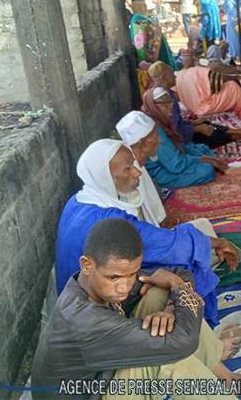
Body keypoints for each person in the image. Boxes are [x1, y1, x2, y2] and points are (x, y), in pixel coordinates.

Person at [36, 219, 241, 398]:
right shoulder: (84, 320)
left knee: (159, 293)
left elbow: (178, 275)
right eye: (115, 277)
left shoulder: (103, 281)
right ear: (87, 265)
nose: (124, 286)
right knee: (169, 358)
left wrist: (171, 306)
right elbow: (183, 342)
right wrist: (179, 292)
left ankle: (224, 379)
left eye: (132, 274)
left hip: (103, 375)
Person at [55, 140, 231, 326]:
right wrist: (218, 244)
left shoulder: (77, 200)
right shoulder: (112, 220)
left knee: (200, 229)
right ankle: (201, 333)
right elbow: (167, 244)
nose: (137, 172)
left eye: (134, 165)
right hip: (103, 311)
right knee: (183, 271)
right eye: (127, 169)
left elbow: (153, 239)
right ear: (106, 177)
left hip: (88, 294)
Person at [141, 88, 241, 189]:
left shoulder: (161, 120)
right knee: (206, 171)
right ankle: (219, 167)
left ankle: (223, 167)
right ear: (153, 105)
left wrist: (205, 157)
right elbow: (175, 164)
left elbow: (179, 146)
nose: (170, 106)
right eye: (164, 103)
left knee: (201, 148)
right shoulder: (154, 130)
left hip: (173, 158)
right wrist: (207, 159)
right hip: (162, 171)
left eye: (170, 102)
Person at [148, 62, 241, 148]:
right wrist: (198, 129)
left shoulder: (161, 92)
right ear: (163, 78)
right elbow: (175, 130)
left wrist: (195, 123)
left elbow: (176, 123)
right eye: (172, 75)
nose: (175, 77)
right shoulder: (163, 98)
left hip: (178, 132)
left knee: (206, 124)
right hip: (177, 140)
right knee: (209, 134)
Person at [222, 0, 241, 64]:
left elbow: (225, 8)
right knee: (240, 37)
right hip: (240, 18)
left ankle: (233, 54)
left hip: (231, 18)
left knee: (231, 38)